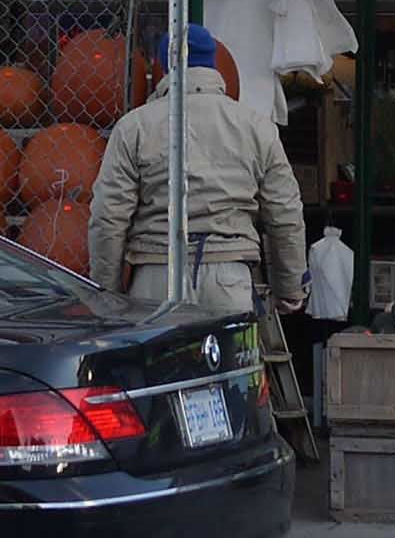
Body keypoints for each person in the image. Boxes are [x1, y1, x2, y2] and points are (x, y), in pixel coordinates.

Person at [88, 26, 307, 324]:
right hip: (229, 277)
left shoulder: (134, 127)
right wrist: (289, 287)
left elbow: (108, 216)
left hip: (154, 278)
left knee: (157, 370)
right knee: (228, 369)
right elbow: (284, 213)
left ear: (163, 67)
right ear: (213, 63)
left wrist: (108, 292)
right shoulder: (257, 127)